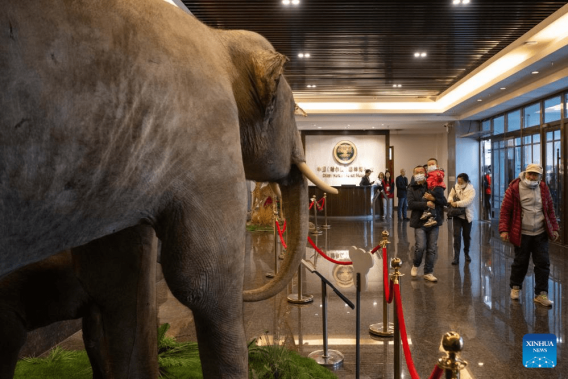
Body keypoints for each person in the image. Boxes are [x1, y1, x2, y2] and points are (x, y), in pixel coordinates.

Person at [499, 163, 559, 307]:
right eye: (529, 173)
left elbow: (550, 209)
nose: (531, 177)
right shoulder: (514, 188)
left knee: (543, 263)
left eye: (535, 174)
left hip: (540, 233)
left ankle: (541, 294)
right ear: (525, 173)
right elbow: (505, 210)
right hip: (522, 233)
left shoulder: (543, 188)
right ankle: (515, 287)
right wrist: (504, 230)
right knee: (520, 262)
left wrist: (555, 228)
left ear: (540, 176)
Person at [408, 160, 447, 282]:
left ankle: (428, 272)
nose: (419, 174)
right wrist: (426, 204)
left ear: (425, 173)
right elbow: (411, 204)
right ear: (414, 174)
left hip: (434, 221)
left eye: (421, 172)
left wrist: (434, 198)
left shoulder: (432, 185)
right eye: (417, 172)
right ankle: (416, 264)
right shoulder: (411, 188)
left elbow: (444, 202)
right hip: (419, 222)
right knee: (420, 246)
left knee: (432, 248)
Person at [448, 173, 476, 265]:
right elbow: (450, 196)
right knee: (456, 236)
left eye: (461, 181)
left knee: (466, 236)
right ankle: (456, 257)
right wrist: (450, 200)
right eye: (458, 180)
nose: (459, 182)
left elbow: (468, 201)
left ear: (466, 180)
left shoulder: (471, 190)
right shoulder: (455, 187)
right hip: (457, 215)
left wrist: (457, 204)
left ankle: (466, 253)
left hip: (467, 216)